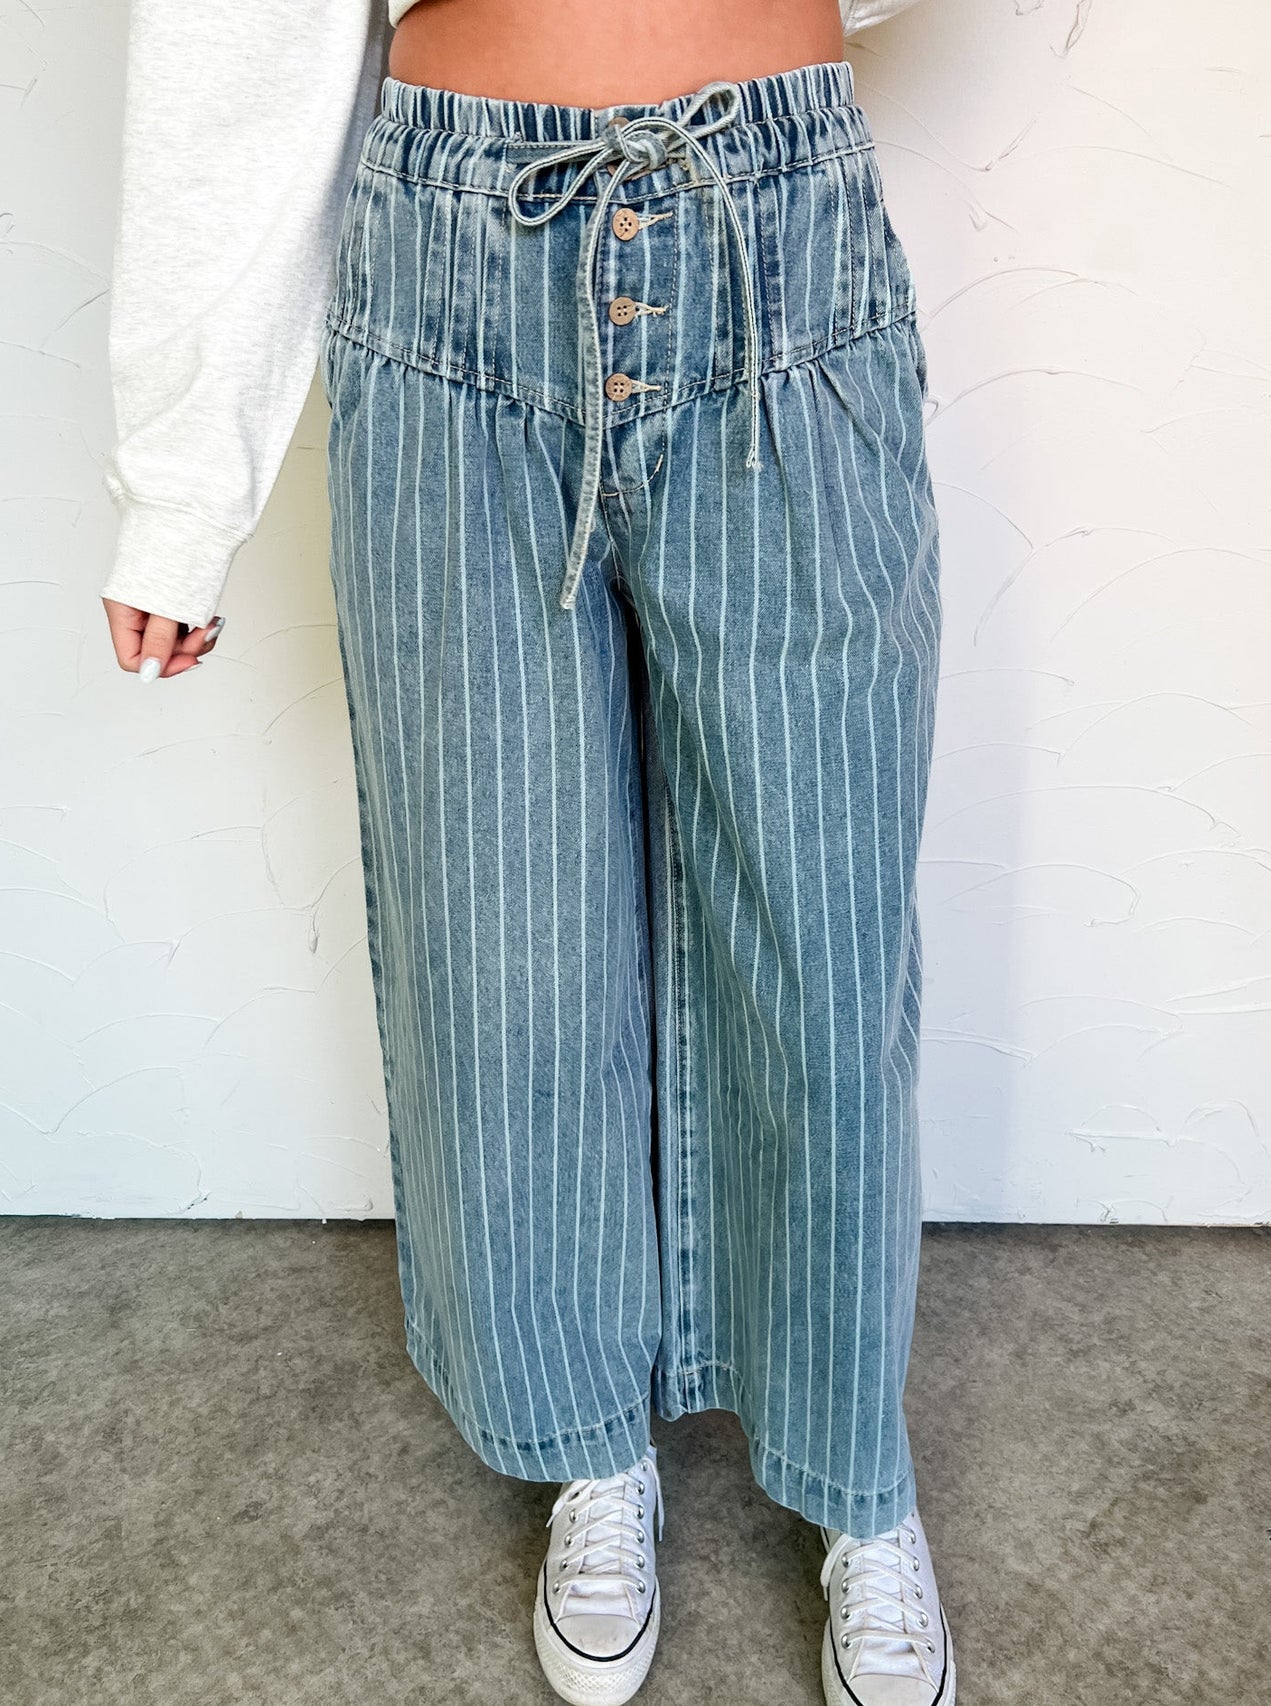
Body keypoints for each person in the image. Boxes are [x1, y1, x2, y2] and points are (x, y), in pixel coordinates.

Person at [98, 3, 951, 1702]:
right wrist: (182, 488)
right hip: (452, 262)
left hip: (778, 226)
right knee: (503, 942)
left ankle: (858, 1474)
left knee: (826, 924)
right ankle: (590, 1448)